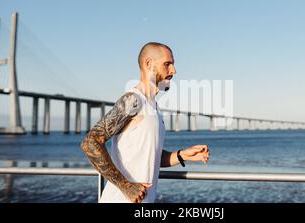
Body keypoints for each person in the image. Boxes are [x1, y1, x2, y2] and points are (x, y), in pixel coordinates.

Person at [81, 42, 210, 203]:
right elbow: (90, 142)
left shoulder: (153, 106)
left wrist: (182, 155)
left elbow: (150, 156)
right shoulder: (133, 100)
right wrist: (125, 185)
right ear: (149, 64)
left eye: (173, 64)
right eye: (167, 64)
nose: (174, 71)